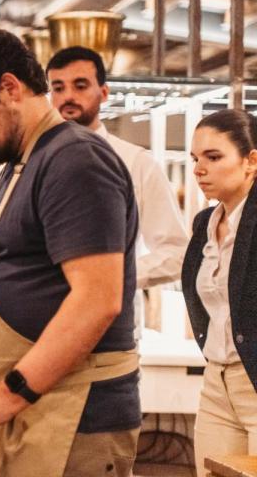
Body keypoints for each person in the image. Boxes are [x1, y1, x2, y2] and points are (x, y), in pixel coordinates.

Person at [0, 29, 140, 476]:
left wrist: (8, 392)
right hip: (31, 408)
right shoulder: (22, 162)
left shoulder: (75, 160)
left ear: (10, 88)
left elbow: (97, 300)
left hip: (73, 419)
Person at [47, 46, 188, 337]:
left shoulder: (136, 162)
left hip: (111, 333)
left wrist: (114, 276)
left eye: (80, 85)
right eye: (58, 88)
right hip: (42, 326)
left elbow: (177, 252)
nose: (68, 97)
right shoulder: (34, 162)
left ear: (105, 92)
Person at [181, 109, 257, 475]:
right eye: (195, 158)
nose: (199, 169)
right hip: (217, 380)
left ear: (250, 161)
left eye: (213, 157)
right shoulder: (204, 224)